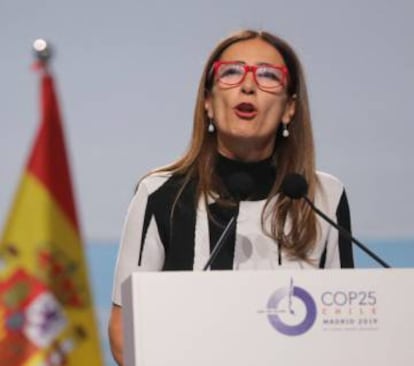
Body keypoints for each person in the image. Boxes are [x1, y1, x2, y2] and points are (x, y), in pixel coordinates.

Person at [108, 29, 354, 365]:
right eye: (231, 72)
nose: (248, 85)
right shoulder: (160, 194)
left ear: (289, 109)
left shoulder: (324, 198)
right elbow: (125, 335)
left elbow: (348, 334)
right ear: (207, 101)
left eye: (268, 76)